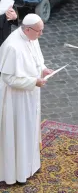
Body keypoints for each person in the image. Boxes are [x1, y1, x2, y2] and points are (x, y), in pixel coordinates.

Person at [0, 13, 54, 185]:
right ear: (28, 29)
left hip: (30, 96)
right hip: (15, 99)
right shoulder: (12, 46)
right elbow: (9, 78)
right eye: (39, 31)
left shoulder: (32, 38)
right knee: (18, 133)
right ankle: (14, 173)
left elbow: (37, 59)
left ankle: (29, 166)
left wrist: (43, 69)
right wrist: (34, 81)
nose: (41, 34)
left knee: (29, 129)